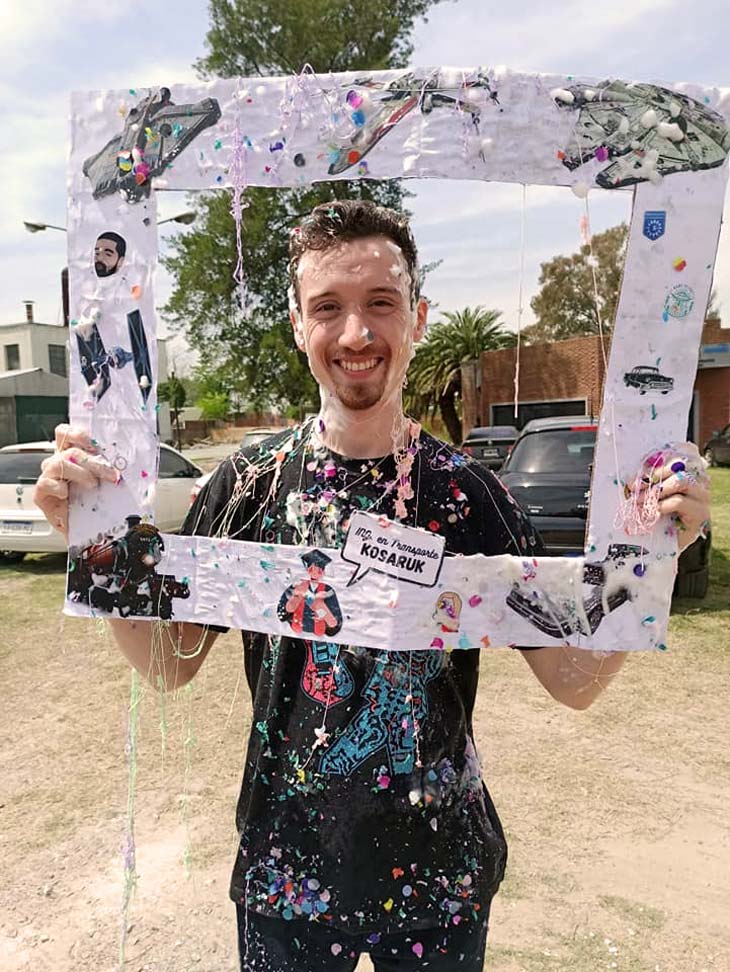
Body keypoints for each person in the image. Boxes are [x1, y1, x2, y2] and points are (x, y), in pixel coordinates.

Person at [35, 200, 711, 972]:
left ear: (418, 318)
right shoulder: (250, 485)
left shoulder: (471, 495)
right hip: (287, 882)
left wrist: (649, 563)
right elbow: (170, 665)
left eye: (380, 304)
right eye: (328, 308)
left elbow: (573, 682)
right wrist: (97, 554)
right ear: (297, 324)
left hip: (440, 884)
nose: (356, 334)